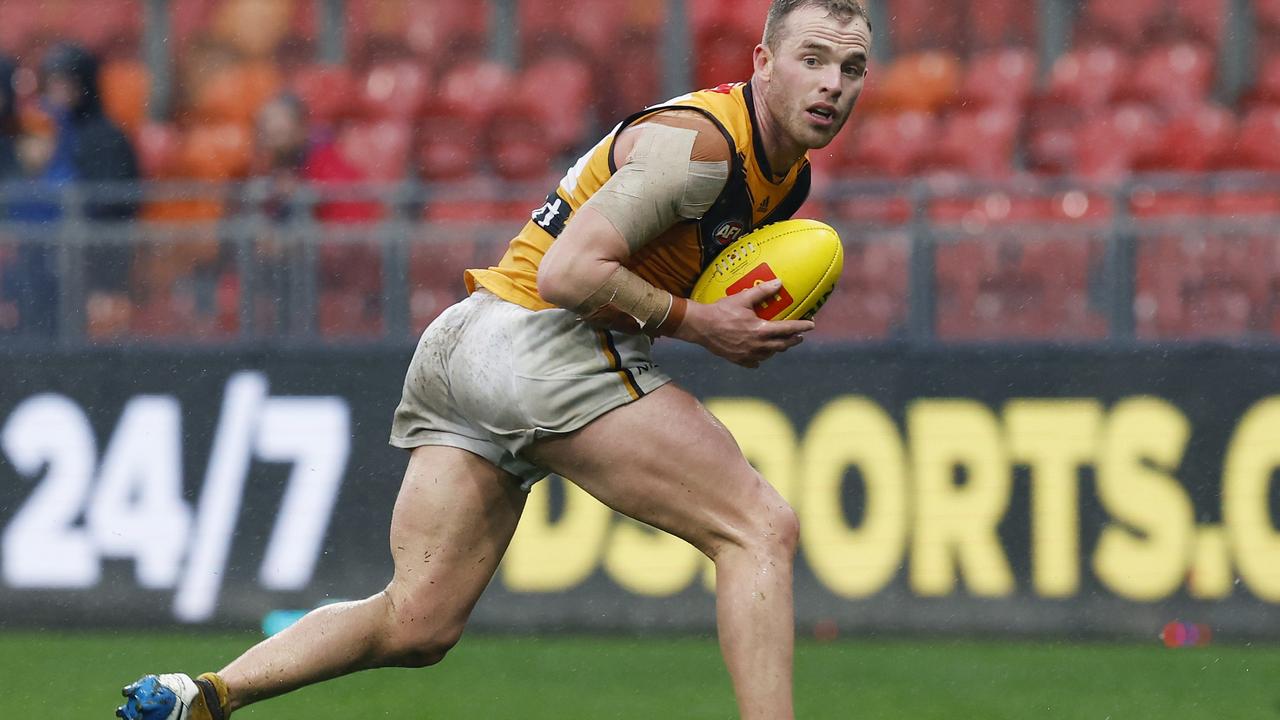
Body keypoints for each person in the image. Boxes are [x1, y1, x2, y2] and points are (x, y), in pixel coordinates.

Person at [116, 2, 870, 718]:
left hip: (466, 343)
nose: (832, 84)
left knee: (415, 621)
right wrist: (702, 325)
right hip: (538, 343)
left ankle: (206, 693)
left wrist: (706, 318)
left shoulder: (785, 176)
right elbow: (568, 275)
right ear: (763, 61)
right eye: (813, 59)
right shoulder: (704, 146)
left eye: (852, 68)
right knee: (758, 527)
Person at [3, 43, 139, 337]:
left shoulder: (104, 138)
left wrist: (105, 283)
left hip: (87, 272)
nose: (58, 91)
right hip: (36, 277)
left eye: (65, 82)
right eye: (52, 82)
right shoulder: (44, 131)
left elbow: (114, 209)